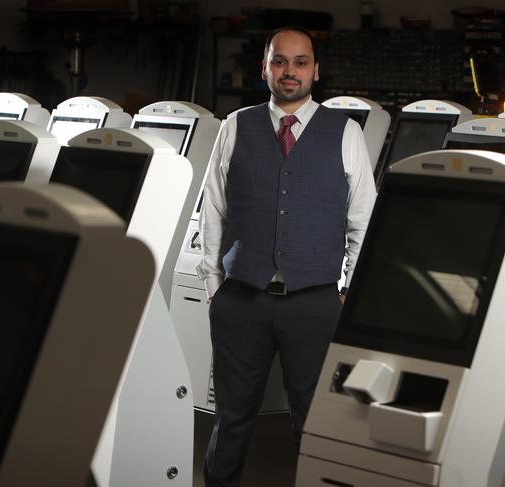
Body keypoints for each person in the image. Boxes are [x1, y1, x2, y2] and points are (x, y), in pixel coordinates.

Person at [196, 26, 377, 487]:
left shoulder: (346, 133)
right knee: (232, 418)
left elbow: (364, 222)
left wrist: (347, 294)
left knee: (314, 423)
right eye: (279, 61)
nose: (289, 71)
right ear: (264, 68)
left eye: (300, 62)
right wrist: (215, 290)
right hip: (241, 299)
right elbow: (213, 211)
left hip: (315, 303)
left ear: (316, 70)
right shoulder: (235, 125)